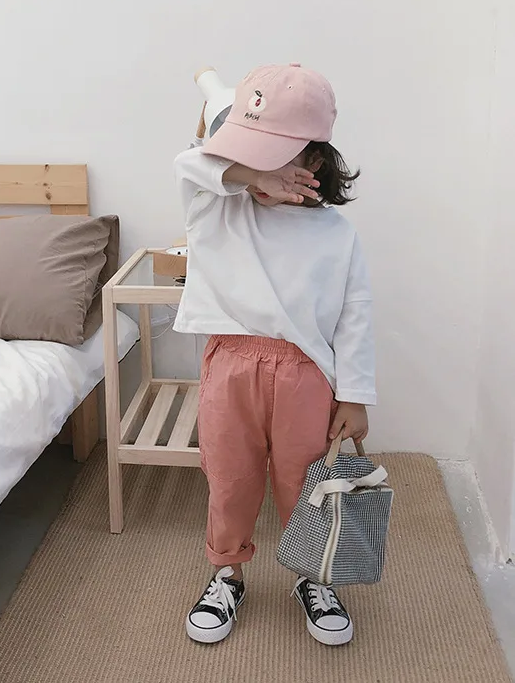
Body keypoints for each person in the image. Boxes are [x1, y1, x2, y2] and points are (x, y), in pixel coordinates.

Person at [173, 63, 375, 647]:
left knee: (306, 483)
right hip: (230, 367)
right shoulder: (217, 209)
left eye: (276, 156)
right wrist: (253, 173)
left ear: (315, 161)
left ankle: (315, 576)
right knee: (229, 478)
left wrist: (355, 395)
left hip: (307, 375)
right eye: (248, 153)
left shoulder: (337, 235)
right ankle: (226, 573)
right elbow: (189, 162)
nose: (260, 168)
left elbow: (355, 314)